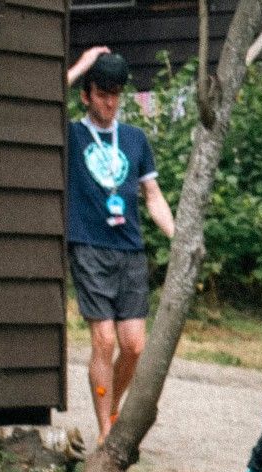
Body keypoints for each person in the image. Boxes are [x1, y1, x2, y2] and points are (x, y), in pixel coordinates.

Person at [66, 48, 175, 439]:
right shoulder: (72, 135)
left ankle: (110, 411)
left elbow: (153, 196)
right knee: (105, 339)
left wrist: (177, 237)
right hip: (88, 245)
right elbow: (42, 101)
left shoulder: (134, 138)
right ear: (86, 94)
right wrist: (80, 65)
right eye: (101, 93)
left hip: (129, 249)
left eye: (116, 94)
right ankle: (103, 434)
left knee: (133, 346)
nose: (109, 102)